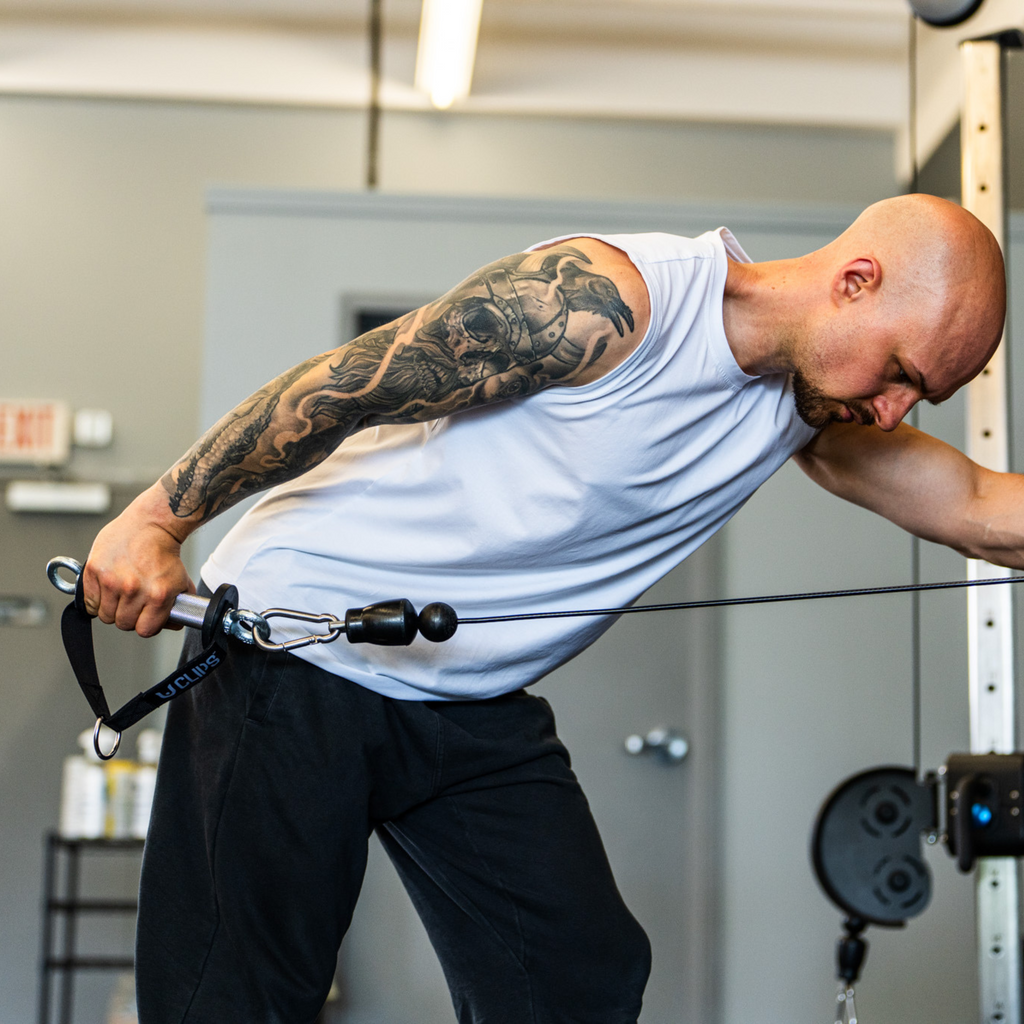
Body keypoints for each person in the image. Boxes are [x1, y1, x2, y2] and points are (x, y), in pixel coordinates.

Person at [83, 193, 1018, 1024]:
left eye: (920, 395)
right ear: (856, 282)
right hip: (300, 644)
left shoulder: (815, 405)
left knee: (578, 981)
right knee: (234, 999)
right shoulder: (607, 304)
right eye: (901, 370)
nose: (896, 410)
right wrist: (155, 520)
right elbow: (342, 386)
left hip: (468, 699)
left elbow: (979, 512)